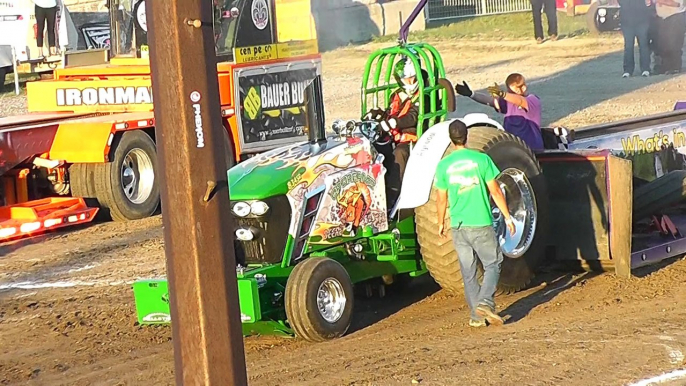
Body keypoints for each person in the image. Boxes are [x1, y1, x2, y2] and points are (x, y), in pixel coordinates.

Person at [434, 119, 515, 327]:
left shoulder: (443, 165)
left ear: (451, 140)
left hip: (458, 226)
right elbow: (495, 191)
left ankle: (476, 317)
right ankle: (485, 302)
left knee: (468, 272)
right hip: (480, 222)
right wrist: (507, 216)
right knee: (493, 263)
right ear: (466, 137)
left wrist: (441, 222)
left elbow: (441, 198)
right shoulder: (482, 160)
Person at [364, 56, 430, 204]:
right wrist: (378, 114)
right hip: (395, 135)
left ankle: (394, 195)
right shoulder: (397, 95)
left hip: (415, 136)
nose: (411, 83)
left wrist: (394, 122)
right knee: (374, 149)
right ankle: (376, 189)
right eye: (407, 80)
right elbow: (390, 113)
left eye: (413, 79)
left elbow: (413, 117)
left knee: (399, 154)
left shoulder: (424, 95)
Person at [454, 73, 545, 151]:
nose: (513, 93)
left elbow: (520, 101)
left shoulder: (532, 100)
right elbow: (490, 101)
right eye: (510, 90)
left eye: (516, 89)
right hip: (513, 148)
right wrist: (471, 94)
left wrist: (502, 94)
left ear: (524, 87)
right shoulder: (508, 101)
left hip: (531, 148)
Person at [618, 0, 653, 77]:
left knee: (643, 45)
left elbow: (648, 3)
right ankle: (628, 70)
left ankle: (645, 69)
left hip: (642, 20)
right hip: (627, 21)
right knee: (628, 46)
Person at [654, 0, 685, 74]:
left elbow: (677, 4)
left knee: (673, 43)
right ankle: (665, 67)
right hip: (662, 18)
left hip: (675, 17)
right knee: (663, 43)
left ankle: (675, 67)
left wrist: (660, 1)